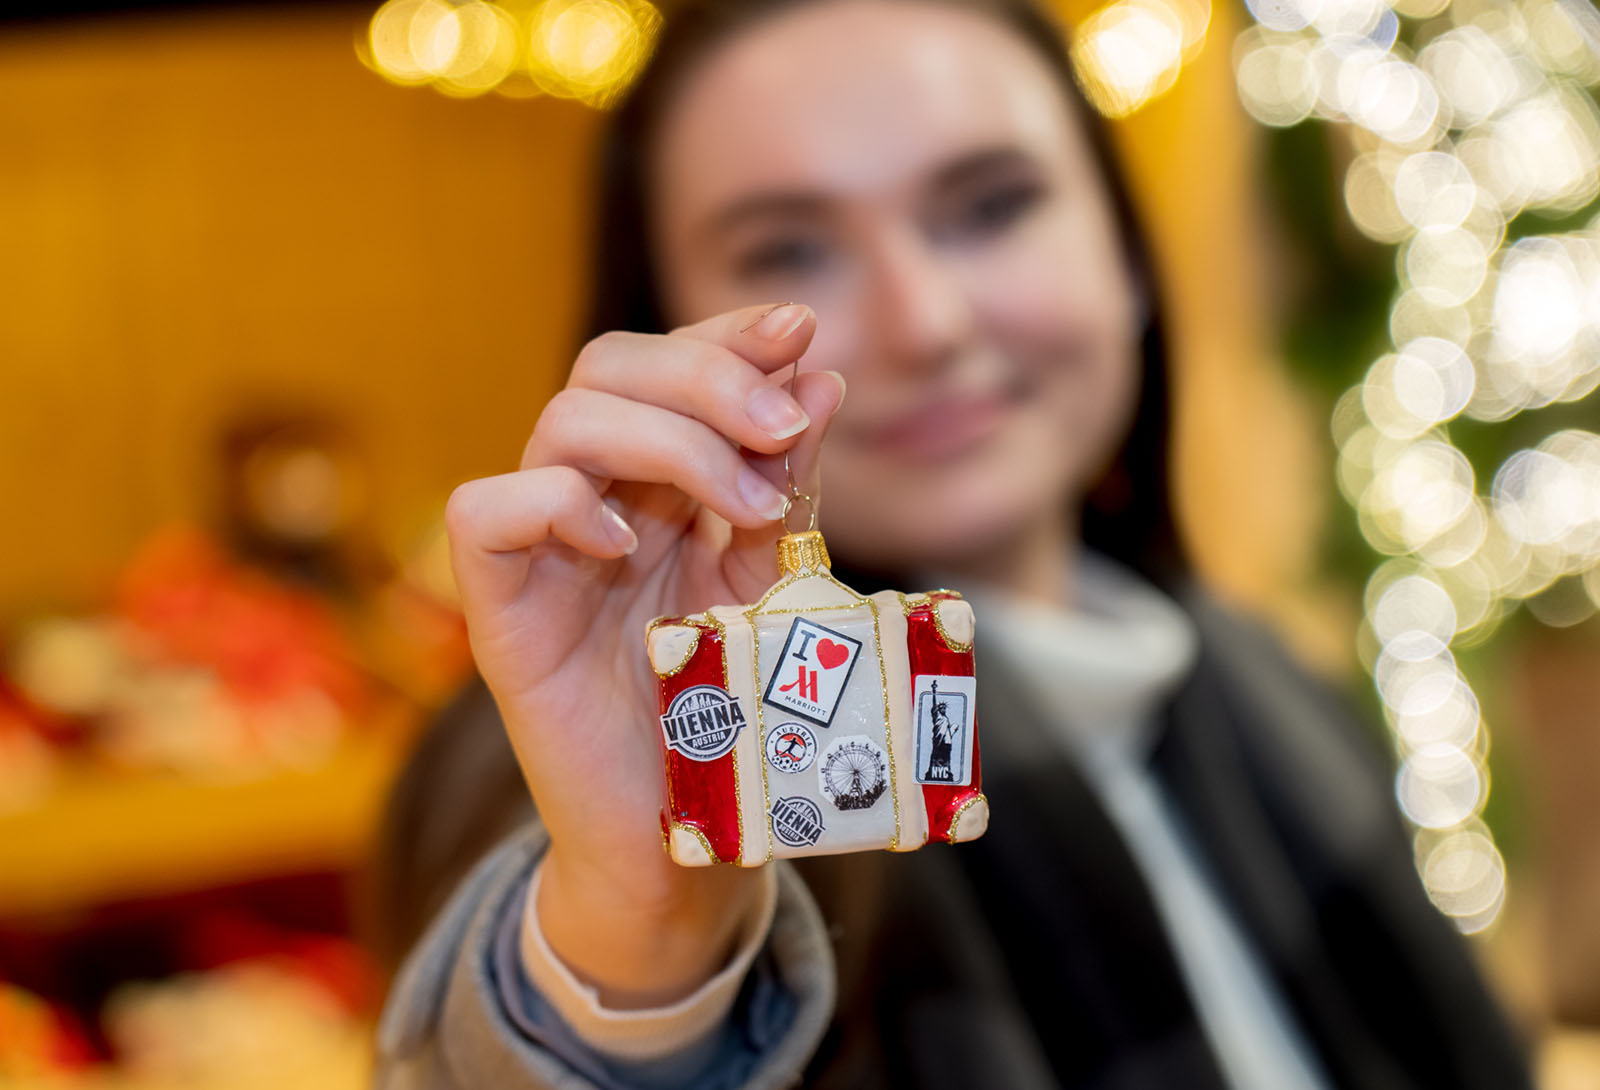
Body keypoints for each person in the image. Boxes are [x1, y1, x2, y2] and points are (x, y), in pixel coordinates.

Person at [370, 0, 1535, 1087]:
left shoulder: (1268, 678)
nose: (922, 322)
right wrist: (638, 928)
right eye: (786, 251)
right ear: (664, 320)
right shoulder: (617, 744)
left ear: (1126, 256)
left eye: (990, 207)